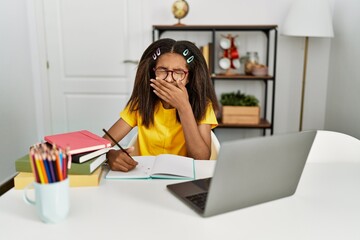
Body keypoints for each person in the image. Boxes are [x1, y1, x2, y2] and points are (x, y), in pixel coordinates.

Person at [104, 38, 219, 172]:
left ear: (188, 78)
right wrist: (109, 155)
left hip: (183, 177)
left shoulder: (203, 105)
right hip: (146, 177)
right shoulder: (141, 104)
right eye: (162, 70)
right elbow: (101, 145)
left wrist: (184, 107)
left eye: (179, 72)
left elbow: (201, 158)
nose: (169, 79)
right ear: (153, 72)